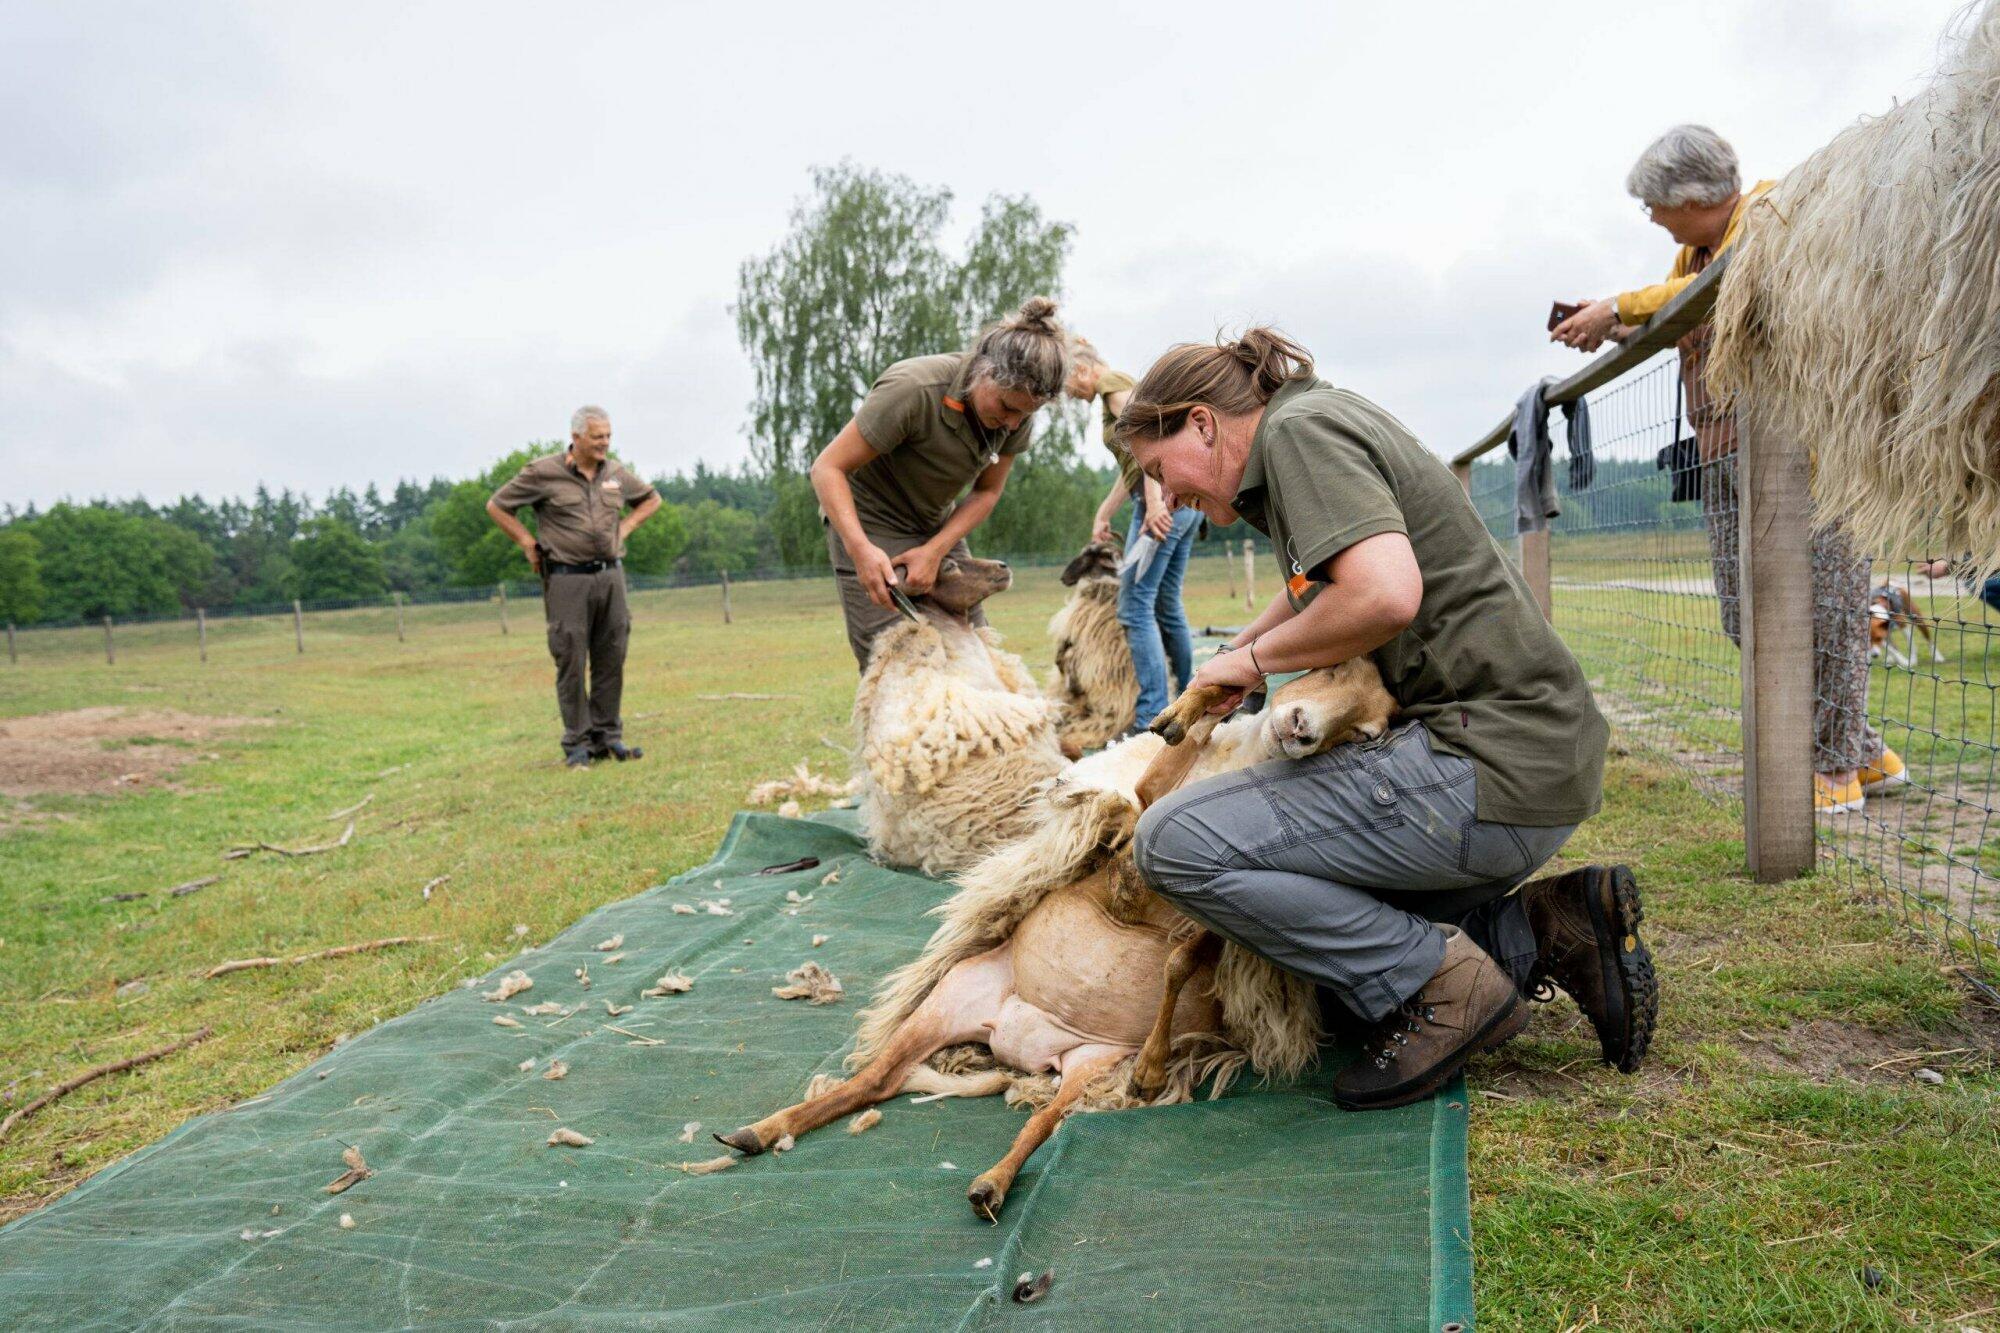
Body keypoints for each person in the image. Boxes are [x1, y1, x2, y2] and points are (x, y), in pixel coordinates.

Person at [1117, 330, 1656, 1111]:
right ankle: (1546, 929)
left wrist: (1258, 663)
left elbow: (1383, 595)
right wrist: (1237, 654)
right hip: (1529, 770)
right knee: (1303, 964)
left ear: (1201, 423)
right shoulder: (1309, 428)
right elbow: (1317, 582)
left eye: (1159, 471)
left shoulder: (1299, 435)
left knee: (1173, 842)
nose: (1162, 495)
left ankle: (1447, 985)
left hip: (1481, 765)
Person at [1552, 124, 1896, 813]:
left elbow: (1729, 280)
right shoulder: (1689, 254)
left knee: (1827, 608)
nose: (1649, 216)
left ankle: (1834, 766)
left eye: (1654, 202)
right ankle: (1864, 751)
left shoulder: (1769, 216)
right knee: (1746, 614)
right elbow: (1687, 314)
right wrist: (1616, 326)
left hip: (1805, 452)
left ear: (1691, 194)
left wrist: (1621, 303)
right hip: (1722, 454)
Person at [810, 297, 1070, 668]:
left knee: (975, 653)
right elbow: (827, 468)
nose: (1014, 424)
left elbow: (987, 491)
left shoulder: (1017, 413)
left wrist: (934, 551)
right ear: (985, 372)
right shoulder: (913, 389)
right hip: (870, 522)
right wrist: (860, 550)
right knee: (896, 660)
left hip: (936, 524)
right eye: (1007, 408)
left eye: (1025, 415)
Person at [487, 406, 662, 768]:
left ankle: (608, 737)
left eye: (609, 436)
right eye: (598, 437)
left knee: (612, 655)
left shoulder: (614, 472)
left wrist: (624, 529)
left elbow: (651, 499)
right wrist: (525, 542)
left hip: (611, 575)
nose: (605, 443)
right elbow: (498, 505)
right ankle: (578, 743)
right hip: (567, 578)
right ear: (577, 436)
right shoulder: (541, 473)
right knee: (570, 657)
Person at [1072, 337, 1203, 734]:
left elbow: (1148, 434)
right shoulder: (1112, 393)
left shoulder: (1111, 384)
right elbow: (1131, 463)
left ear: (1082, 370)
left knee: (1133, 605)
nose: (1067, 394)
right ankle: (1188, 696)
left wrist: (1154, 499)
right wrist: (1104, 512)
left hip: (1160, 503)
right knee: (1165, 603)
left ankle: (1150, 713)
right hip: (1177, 502)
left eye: (1066, 384)